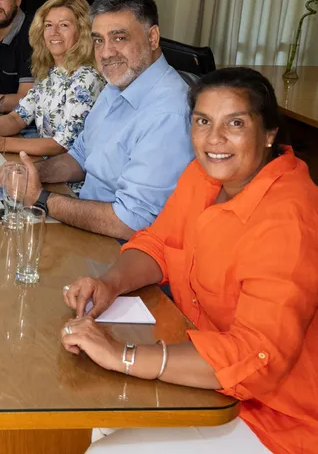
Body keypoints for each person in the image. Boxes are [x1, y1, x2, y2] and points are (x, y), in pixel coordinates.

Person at [60, 67, 318, 454]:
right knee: (72, 415)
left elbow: (255, 357)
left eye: (235, 123)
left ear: (269, 134)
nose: (214, 139)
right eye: (202, 121)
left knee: (99, 447)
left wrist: (123, 355)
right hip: (197, 372)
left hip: (272, 417)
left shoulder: (289, 219)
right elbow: (159, 243)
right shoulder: (204, 174)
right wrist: (110, 284)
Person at [0, 0, 193, 240]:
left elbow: (130, 222)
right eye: (99, 40)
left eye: (119, 38)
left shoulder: (169, 113)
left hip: (118, 246)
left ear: (152, 38)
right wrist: (31, 174)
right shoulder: (115, 86)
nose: (106, 53)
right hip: (87, 222)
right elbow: (78, 157)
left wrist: (41, 198)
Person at [0, 0, 104, 156]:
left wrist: (2, 143)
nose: (54, 32)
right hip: (43, 163)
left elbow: (62, 145)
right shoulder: (50, 73)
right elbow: (17, 118)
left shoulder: (87, 78)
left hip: (68, 177)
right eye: (48, 25)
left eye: (64, 25)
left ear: (82, 31)